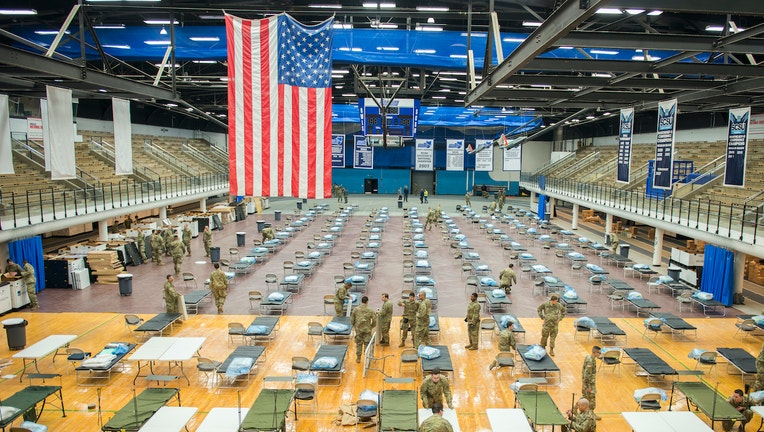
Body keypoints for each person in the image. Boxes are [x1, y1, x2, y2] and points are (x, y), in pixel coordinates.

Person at [350, 295, 376, 363]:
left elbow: (352, 319)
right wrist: (371, 326)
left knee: (359, 344)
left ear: (361, 301)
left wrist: (354, 325)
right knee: (367, 343)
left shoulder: (356, 309)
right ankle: (366, 358)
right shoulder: (370, 310)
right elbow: (374, 320)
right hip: (367, 330)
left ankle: (358, 358)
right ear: (367, 302)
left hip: (358, 329)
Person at [582, 346, 601, 420]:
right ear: (595, 352)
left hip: (587, 383)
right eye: (599, 352)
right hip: (589, 383)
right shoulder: (590, 361)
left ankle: (574, 410)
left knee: (585, 397)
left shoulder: (589, 358)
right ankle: (591, 414)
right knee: (591, 399)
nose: (599, 354)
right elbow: (587, 374)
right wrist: (589, 386)